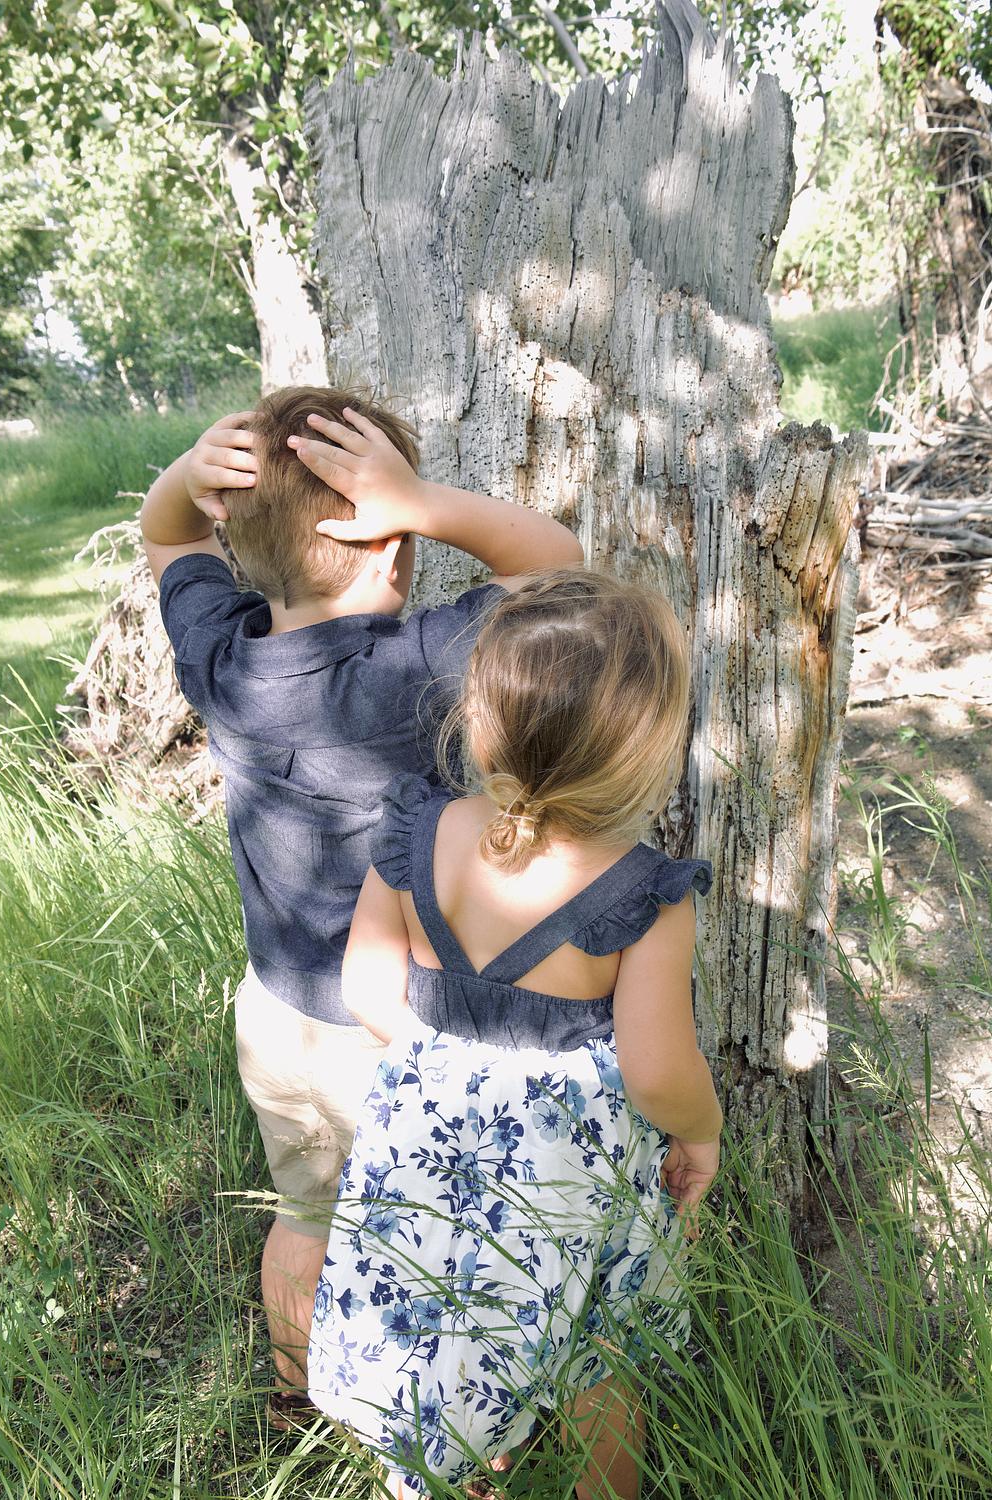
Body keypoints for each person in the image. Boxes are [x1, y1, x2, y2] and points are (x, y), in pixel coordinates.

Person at [139, 388, 583, 1420]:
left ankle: (295, 1393)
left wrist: (185, 482)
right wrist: (424, 501)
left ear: (238, 540)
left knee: (305, 1216)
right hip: (395, 1032)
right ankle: (445, 1432)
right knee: (432, 1241)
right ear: (393, 549)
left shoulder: (224, 663)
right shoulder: (417, 668)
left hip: (276, 1019)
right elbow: (555, 565)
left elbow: (166, 540)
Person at [307, 570, 723, 1498]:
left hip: (426, 1152)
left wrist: (448, 1067)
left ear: (480, 718)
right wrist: (702, 1134)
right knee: (596, 1352)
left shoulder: (420, 832)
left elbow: (367, 985)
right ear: (642, 749)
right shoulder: (643, 894)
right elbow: (657, 1069)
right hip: (569, 1182)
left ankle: (455, 1467)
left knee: (436, 1333)